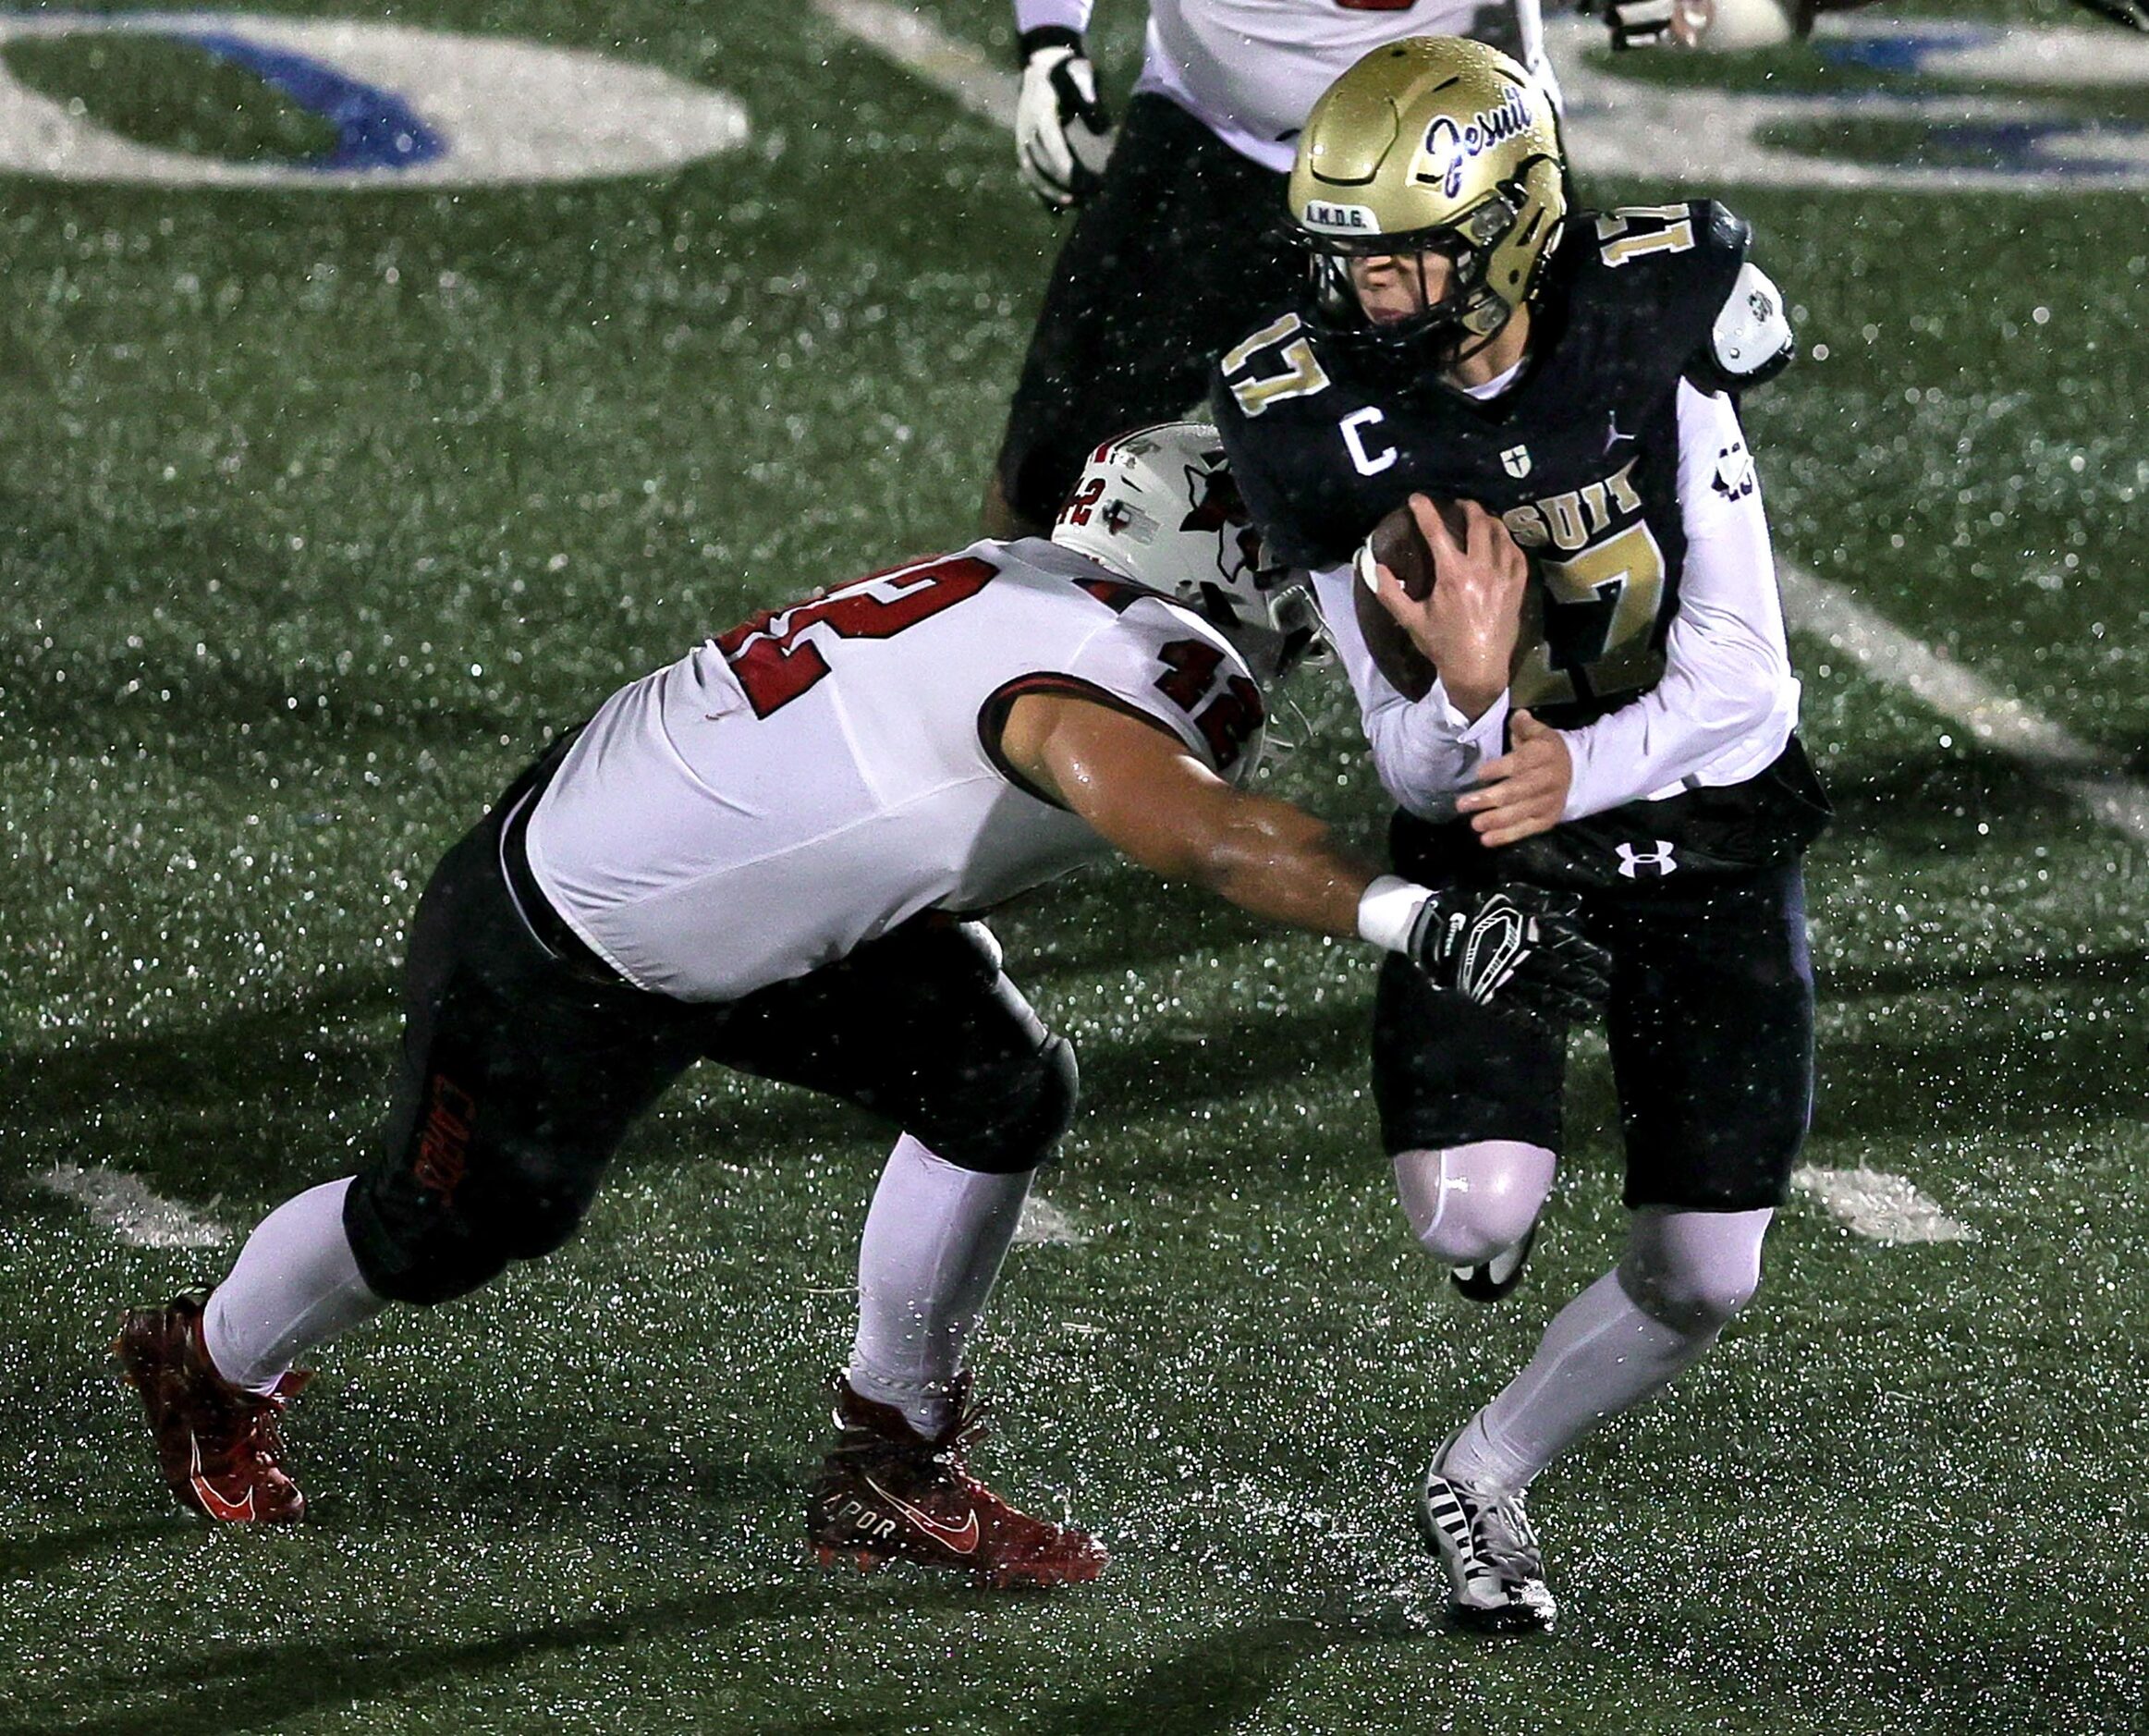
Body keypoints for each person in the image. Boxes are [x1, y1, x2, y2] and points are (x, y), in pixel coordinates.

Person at [113, 422, 1606, 1590]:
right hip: (575, 933)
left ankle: (888, 1455)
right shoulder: (1114, 656)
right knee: (442, 1228)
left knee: (996, 1081)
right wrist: (1422, 919)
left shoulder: (1038, 585)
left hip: (722, 871)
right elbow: (1203, 834)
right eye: (1287, 564)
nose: (1311, 599)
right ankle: (210, 1361)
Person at [1212, 40, 1831, 1633]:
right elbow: (1423, 773)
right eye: (1345, 259)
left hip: (1706, 830)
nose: (1368, 300)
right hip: (1502, 838)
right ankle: (1495, 1194)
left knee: (1707, 1276)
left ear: (1508, 230)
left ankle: (1484, 1469)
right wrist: (1483, 700)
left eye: (1404, 260)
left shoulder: (1646, 320)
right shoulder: (1320, 411)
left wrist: (1581, 762)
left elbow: (1747, 687)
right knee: (1473, 1213)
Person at [990, 0, 1557, 541]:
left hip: (1462, 169)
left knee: (1537, 479)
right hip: (1214, 136)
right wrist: (1050, 39)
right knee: (1053, 477)